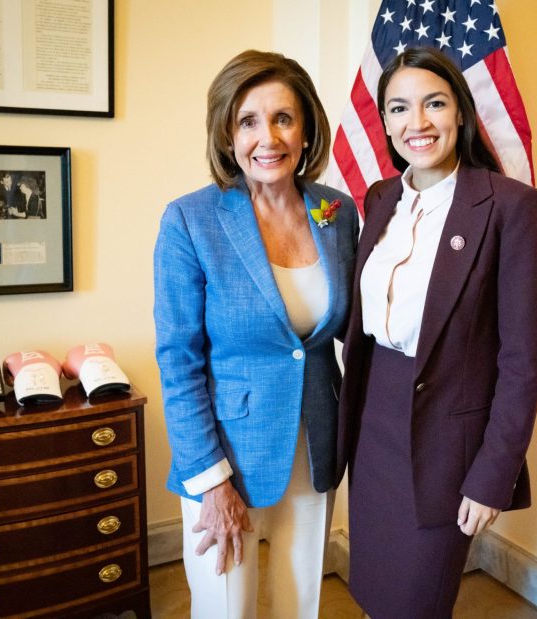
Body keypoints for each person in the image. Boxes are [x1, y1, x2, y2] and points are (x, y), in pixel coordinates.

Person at [337, 47, 537, 619]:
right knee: (377, 594)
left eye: (434, 103)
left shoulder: (510, 207)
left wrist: (492, 476)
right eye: (400, 108)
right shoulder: (381, 199)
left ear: (461, 113)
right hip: (373, 421)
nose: (418, 123)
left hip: (445, 443)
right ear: (384, 121)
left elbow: (522, 359)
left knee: (418, 601)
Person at [153, 49, 358, 619]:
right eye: (248, 121)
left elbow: (356, 331)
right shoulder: (190, 220)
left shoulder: (337, 213)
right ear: (227, 133)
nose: (268, 138)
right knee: (226, 609)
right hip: (228, 457)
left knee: (300, 603)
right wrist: (211, 481)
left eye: (283, 118)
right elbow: (178, 359)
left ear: (306, 128)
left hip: (314, 441)